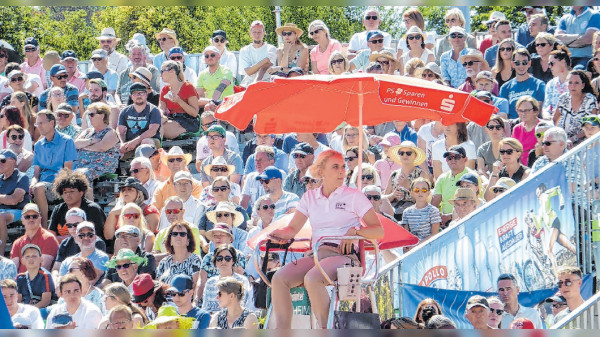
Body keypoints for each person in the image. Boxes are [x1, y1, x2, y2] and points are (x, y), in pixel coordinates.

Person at [269, 150, 383, 328]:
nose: (341, 171)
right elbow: (292, 229)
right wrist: (279, 234)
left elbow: (378, 231)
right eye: (335, 167)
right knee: (278, 279)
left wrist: (356, 232)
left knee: (313, 279)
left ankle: (326, 328)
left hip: (345, 256)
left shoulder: (354, 196)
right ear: (321, 171)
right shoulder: (310, 197)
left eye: (343, 167)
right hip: (318, 255)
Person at [31, 110, 78, 226]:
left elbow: (67, 171)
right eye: (37, 124)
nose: (39, 126)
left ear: (52, 123)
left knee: (39, 188)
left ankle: (44, 226)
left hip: (60, 183)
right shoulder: (38, 145)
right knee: (32, 187)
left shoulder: (67, 141)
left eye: (41, 123)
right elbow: (36, 172)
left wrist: (42, 184)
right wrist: (32, 183)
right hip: (43, 184)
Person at [48, 169, 106, 242]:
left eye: (72, 191)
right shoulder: (58, 209)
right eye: (65, 192)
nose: (68, 195)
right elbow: (51, 237)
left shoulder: (93, 209)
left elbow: (99, 237)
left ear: (81, 193)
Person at [74, 102, 119, 191]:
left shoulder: (111, 133)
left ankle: (87, 203)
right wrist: (91, 141)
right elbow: (76, 144)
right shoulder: (87, 132)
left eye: (91, 114)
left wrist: (84, 146)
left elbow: (101, 147)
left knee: (82, 175)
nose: (89, 117)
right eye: (88, 115)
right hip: (82, 167)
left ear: (102, 116)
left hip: (100, 168)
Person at [432, 145, 477, 226]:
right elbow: (434, 203)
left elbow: (475, 203)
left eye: (457, 157)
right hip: (444, 222)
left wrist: (450, 216)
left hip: (468, 220)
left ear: (465, 159)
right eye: (449, 158)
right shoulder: (442, 178)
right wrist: (438, 218)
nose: (452, 160)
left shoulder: (472, 177)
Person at [53, 208, 106, 276]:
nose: (73, 228)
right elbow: (56, 269)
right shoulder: (65, 243)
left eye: (76, 224)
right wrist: (55, 281)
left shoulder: (96, 242)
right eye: (69, 225)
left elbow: (93, 274)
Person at [201, 244, 253, 313]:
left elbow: (244, 305)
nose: (223, 261)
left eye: (227, 258)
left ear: (233, 261)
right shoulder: (210, 282)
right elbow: (205, 308)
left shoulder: (242, 281)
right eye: (219, 258)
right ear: (215, 262)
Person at [10, 203, 58, 273]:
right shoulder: (17, 243)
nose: (31, 219)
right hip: (19, 281)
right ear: (22, 220)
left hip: (39, 281)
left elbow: (44, 269)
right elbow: (13, 270)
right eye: (27, 217)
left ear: (40, 218)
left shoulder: (49, 238)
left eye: (35, 216)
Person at [499, 48, 546, 119]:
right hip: (512, 125)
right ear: (512, 64)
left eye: (524, 63)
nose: (521, 66)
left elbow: (537, 111)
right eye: (517, 63)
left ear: (529, 63)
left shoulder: (539, 85)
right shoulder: (505, 88)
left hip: (531, 124)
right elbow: (503, 114)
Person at [117, 83, 161, 158]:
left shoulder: (153, 110)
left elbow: (152, 131)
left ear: (146, 95)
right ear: (131, 97)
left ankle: (145, 167)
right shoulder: (125, 111)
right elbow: (121, 132)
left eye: (141, 93)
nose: (139, 95)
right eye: (135, 93)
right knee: (114, 147)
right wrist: (122, 144)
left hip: (150, 141)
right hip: (129, 143)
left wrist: (135, 142)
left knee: (145, 143)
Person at [555, 69, 598, 145]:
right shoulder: (563, 98)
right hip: (563, 141)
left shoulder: (590, 100)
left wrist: (572, 139)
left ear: (583, 85)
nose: (572, 86)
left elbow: (591, 127)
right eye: (570, 83)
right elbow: (554, 120)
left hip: (582, 143)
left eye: (576, 83)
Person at [152, 146, 203, 211]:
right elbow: (154, 211)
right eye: (171, 160)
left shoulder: (196, 186)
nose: (175, 163)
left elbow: (195, 209)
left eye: (179, 160)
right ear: (168, 164)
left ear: (184, 163)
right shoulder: (161, 188)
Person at [159, 60, 199, 139]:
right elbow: (161, 108)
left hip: (187, 120)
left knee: (160, 128)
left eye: (162, 71)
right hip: (172, 119)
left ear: (172, 71)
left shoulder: (188, 87)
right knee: (155, 125)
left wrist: (179, 101)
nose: (161, 75)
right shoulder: (165, 90)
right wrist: (160, 115)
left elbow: (194, 113)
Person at [0, 149, 29, 254]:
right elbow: (11, 198)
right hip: (4, 210)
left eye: (2, 161)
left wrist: (9, 199)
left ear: (13, 161)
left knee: (1, 217)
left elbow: (14, 200)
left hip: (18, 211)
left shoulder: (22, 177)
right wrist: (6, 198)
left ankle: (1, 254)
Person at [401, 177, 440, 245]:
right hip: (412, 246)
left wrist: (418, 244)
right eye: (417, 190)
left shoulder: (433, 211)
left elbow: (434, 234)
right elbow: (406, 234)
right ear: (412, 193)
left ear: (428, 193)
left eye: (424, 190)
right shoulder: (406, 212)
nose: (420, 193)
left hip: (429, 246)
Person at [16, 244, 55, 308]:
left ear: (41, 259)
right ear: (22, 261)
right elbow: (18, 300)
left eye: (34, 256)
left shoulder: (45, 276)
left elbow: (45, 301)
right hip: (25, 309)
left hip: (41, 309)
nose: (31, 259)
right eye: (27, 257)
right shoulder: (20, 277)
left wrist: (31, 311)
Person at [238, 20, 277, 85]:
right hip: (248, 84)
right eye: (254, 32)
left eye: (259, 32)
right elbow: (248, 72)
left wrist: (256, 82)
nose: (257, 35)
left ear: (264, 33)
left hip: (267, 82)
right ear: (250, 33)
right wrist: (264, 60)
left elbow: (266, 66)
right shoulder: (244, 50)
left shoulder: (271, 48)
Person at [197, 46, 233, 112]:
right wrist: (209, 102)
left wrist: (212, 102)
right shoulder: (202, 74)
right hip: (210, 105)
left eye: (212, 55)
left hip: (226, 105)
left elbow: (221, 87)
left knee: (208, 108)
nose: (209, 58)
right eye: (206, 56)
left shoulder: (226, 70)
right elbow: (197, 95)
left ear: (219, 56)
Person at [542, 47, 572, 119]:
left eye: (551, 63)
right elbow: (547, 105)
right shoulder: (551, 84)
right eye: (548, 64)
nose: (549, 67)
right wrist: (547, 115)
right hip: (553, 119)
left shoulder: (575, 81)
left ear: (563, 62)